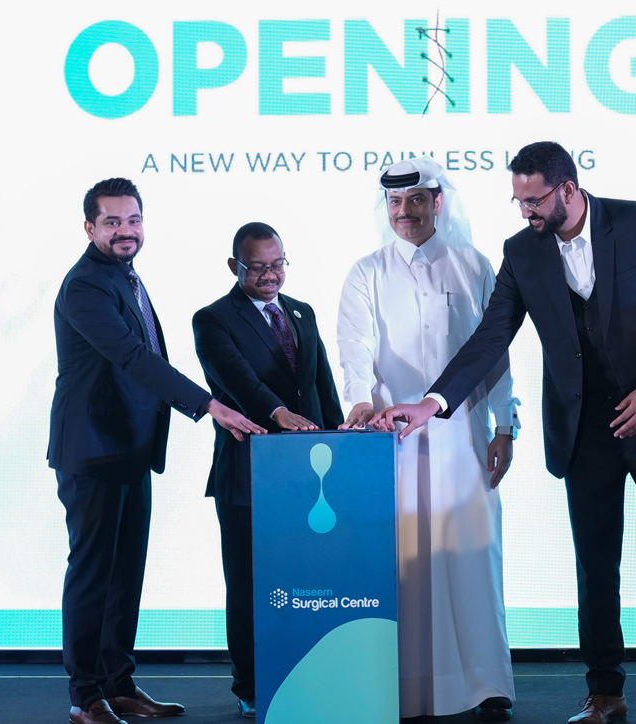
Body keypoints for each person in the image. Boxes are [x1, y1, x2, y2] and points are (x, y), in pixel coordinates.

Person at [374, 143, 636, 724]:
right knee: (595, 566)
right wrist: (433, 402)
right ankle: (604, 693)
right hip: (584, 429)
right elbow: (491, 336)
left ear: (568, 188)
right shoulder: (523, 252)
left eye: (534, 199)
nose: (524, 211)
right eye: (518, 200)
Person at [48, 178, 264, 724]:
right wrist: (210, 406)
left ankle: (118, 685)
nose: (126, 231)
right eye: (113, 222)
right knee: (94, 573)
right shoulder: (85, 286)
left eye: (133, 220)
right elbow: (131, 357)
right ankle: (86, 696)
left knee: (126, 574)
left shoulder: (124, 275)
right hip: (92, 450)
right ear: (90, 227)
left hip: (128, 448)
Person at [337, 157, 520, 721]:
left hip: (462, 439)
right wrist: (361, 399)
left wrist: (505, 425)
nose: (405, 213)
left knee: (471, 559)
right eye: (395, 204)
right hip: (392, 443)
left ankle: (486, 685)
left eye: (415, 201)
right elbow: (355, 345)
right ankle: (406, 686)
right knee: (405, 564)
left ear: (437, 203)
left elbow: (492, 354)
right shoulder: (367, 271)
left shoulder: (473, 266)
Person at [192, 221, 345, 719]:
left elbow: (320, 383)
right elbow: (235, 380)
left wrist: (340, 434)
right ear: (235, 266)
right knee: (250, 584)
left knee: (310, 580)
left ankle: (313, 674)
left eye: (277, 264)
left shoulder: (301, 312)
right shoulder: (212, 319)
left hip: (309, 476)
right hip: (249, 475)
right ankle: (251, 685)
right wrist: (277, 414)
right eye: (257, 267)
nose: (269, 275)